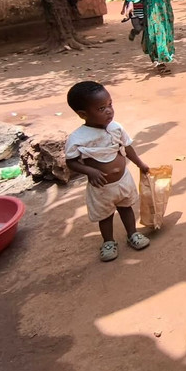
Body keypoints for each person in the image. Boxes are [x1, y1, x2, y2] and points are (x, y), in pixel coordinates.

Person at [64, 81, 151, 262]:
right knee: (105, 215)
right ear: (83, 114)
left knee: (126, 208)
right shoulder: (78, 138)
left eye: (110, 104)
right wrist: (89, 171)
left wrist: (139, 163)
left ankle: (132, 234)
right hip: (101, 187)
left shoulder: (116, 128)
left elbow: (127, 148)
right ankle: (109, 242)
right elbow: (71, 162)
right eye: (101, 108)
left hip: (123, 180)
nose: (109, 111)